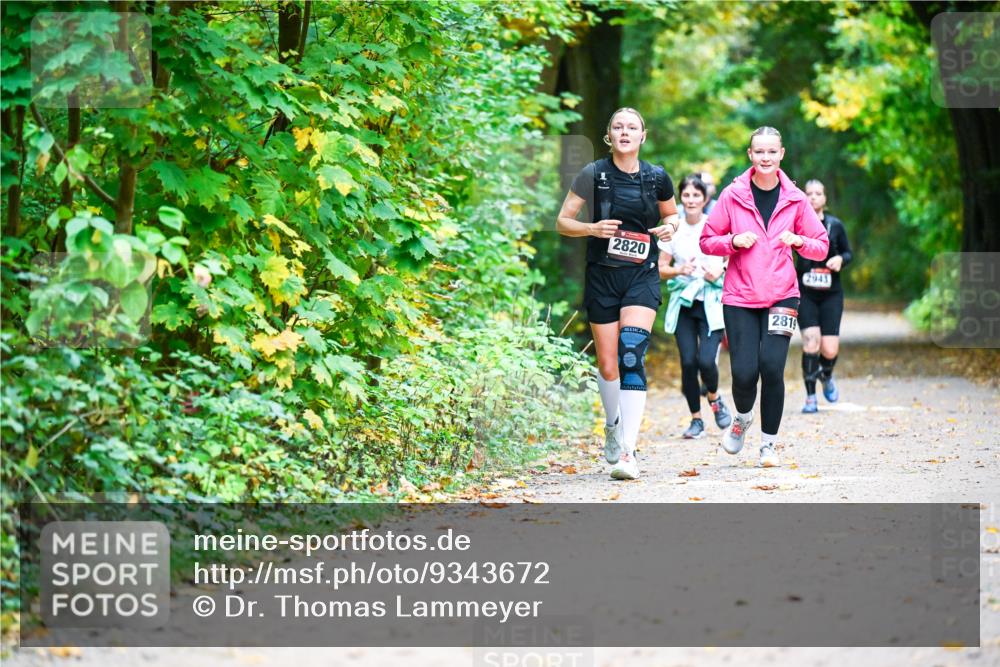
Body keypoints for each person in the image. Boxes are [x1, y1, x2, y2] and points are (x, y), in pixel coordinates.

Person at [557, 107, 679, 480]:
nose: (625, 132)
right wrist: (591, 229)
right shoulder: (592, 174)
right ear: (609, 135)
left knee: (631, 353)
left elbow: (671, 215)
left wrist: (670, 228)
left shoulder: (657, 177)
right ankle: (612, 425)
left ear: (643, 135)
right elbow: (563, 222)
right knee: (609, 365)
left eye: (632, 127)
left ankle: (628, 451)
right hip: (602, 277)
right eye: (618, 127)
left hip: (641, 275)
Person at [699, 127, 829, 467]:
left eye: (772, 151)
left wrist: (799, 241)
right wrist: (732, 241)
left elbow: (821, 245)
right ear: (750, 154)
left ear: (781, 154)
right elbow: (707, 240)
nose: (766, 158)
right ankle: (742, 418)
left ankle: (768, 445)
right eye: (760, 152)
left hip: (782, 296)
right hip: (740, 297)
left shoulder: (796, 199)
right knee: (744, 373)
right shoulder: (732, 195)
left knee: (772, 368)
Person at [658, 174, 733, 439]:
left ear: (705, 198)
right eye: (686, 195)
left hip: (711, 302)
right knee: (688, 363)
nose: (691, 200)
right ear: (680, 197)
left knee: (706, 361)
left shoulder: (715, 225)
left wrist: (720, 269)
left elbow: (732, 255)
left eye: (696, 195)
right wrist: (679, 270)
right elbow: (661, 268)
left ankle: (714, 397)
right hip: (684, 304)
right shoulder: (672, 228)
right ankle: (696, 420)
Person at [798, 179, 853, 413]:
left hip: (831, 294)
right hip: (805, 294)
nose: (813, 197)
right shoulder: (796, 224)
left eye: (818, 193)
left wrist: (840, 259)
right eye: (809, 193)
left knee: (829, 350)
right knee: (811, 342)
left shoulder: (835, 225)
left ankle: (826, 375)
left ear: (825, 198)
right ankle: (810, 397)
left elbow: (848, 253)